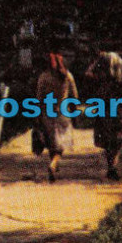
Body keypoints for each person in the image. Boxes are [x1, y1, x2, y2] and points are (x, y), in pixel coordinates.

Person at [33, 53, 77, 182]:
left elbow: (39, 98)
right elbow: (74, 95)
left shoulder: (44, 77)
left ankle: (53, 164)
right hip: (63, 113)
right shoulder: (68, 76)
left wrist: (37, 115)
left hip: (47, 113)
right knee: (60, 145)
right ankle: (53, 165)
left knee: (52, 143)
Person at [87, 51, 122, 179]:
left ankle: (111, 166)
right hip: (118, 111)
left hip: (105, 110)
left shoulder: (101, 82)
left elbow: (88, 74)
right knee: (117, 138)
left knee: (108, 138)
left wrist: (95, 63)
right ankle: (113, 166)